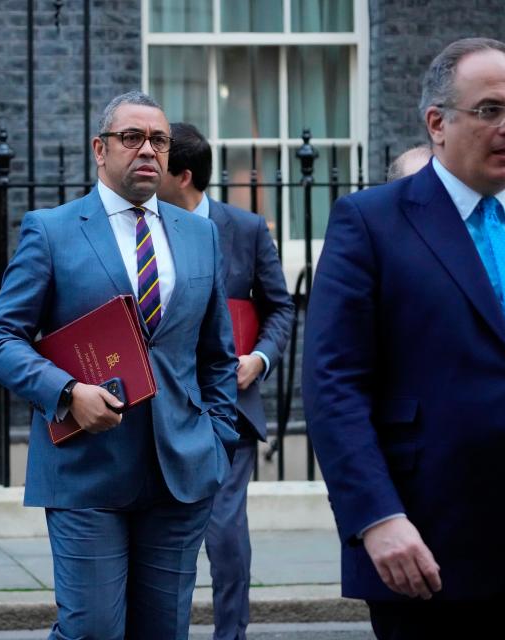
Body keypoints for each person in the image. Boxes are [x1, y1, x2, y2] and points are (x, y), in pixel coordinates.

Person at [302, 37, 505, 639]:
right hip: (433, 543)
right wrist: (376, 517)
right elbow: (334, 386)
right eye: (491, 110)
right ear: (437, 124)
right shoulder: (370, 223)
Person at [0, 91, 239, 640]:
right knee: (92, 629)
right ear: (100, 149)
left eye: (159, 140)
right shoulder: (51, 230)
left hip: (181, 472)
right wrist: (69, 391)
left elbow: (216, 354)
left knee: (163, 631)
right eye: (132, 138)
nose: (148, 150)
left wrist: (218, 438)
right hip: (86, 472)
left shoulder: (200, 234)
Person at [157, 122, 294, 640]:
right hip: (164, 405)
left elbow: (280, 308)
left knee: (225, 532)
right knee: (168, 537)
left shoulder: (246, 229)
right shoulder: (145, 227)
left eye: (161, 158)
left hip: (230, 405)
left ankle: (230, 634)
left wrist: (259, 359)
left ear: (184, 176)